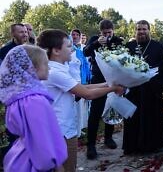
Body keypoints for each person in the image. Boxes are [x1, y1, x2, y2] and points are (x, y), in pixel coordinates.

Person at [37, 29, 124, 172]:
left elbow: (81, 87)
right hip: (62, 131)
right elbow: (86, 94)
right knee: (68, 168)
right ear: (56, 51)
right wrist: (113, 89)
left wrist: (109, 83)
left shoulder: (57, 69)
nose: (73, 49)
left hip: (62, 128)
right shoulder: (56, 73)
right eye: (69, 46)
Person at [0, 44, 67, 171]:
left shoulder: (18, 97)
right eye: (46, 64)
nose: (49, 68)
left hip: (18, 155)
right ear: (33, 68)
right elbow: (41, 140)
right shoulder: (34, 100)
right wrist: (56, 164)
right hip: (33, 162)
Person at [123, 20, 163, 155]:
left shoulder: (158, 47)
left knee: (150, 119)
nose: (141, 32)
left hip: (151, 91)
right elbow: (121, 65)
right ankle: (132, 146)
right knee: (133, 118)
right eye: (138, 29)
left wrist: (152, 79)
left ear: (149, 30)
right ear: (135, 31)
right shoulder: (129, 46)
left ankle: (151, 145)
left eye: (144, 29)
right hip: (133, 91)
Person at [83, 19, 123, 159]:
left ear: (113, 30)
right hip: (98, 79)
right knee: (95, 112)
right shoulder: (95, 40)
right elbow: (85, 52)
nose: (107, 35)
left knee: (111, 109)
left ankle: (108, 137)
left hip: (114, 80)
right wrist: (96, 44)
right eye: (104, 33)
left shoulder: (118, 40)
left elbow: (123, 57)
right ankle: (91, 145)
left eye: (109, 32)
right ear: (100, 32)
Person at [0, 23, 28, 163]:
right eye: (21, 32)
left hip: (28, 98)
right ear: (13, 34)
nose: (25, 34)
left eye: (25, 31)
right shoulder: (4, 52)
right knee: (13, 131)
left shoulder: (31, 50)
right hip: (12, 99)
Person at [69, 29, 91, 137]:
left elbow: (86, 63)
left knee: (82, 108)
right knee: (75, 108)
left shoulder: (82, 48)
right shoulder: (69, 49)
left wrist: (87, 78)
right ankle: (75, 131)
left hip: (83, 79)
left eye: (77, 34)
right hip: (73, 81)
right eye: (73, 34)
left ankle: (80, 128)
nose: (75, 36)